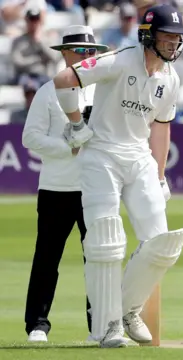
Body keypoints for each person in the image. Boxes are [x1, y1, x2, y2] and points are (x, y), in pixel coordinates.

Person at [51, 4, 183, 348]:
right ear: (148, 35)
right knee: (106, 241)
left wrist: (159, 175)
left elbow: (161, 129)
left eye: (177, 38)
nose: (173, 43)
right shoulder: (121, 59)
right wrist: (76, 124)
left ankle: (128, 309)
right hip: (101, 155)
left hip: (138, 157)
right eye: (167, 36)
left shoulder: (170, 79)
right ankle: (107, 327)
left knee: (163, 244)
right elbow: (64, 79)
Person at [21, 25, 109, 343]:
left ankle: (99, 326)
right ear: (65, 53)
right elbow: (30, 136)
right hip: (57, 188)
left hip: (96, 189)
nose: (85, 57)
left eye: (90, 52)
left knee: (99, 259)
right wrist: (67, 148)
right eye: (79, 52)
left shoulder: (103, 90)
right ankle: (37, 325)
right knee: (47, 257)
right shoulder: (48, 91)